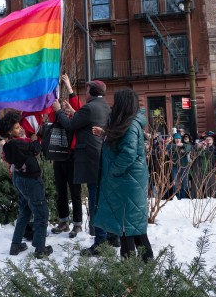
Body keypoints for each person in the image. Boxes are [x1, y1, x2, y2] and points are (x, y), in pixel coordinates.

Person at [91, 89, 154, 261]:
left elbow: (128, 154)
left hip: (127, 182)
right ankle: (139, 261)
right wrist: (105, 134)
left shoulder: (131, 125)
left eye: (116, 102)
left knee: (128, 225)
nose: (113, 105)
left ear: (123, 104)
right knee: (130, 225)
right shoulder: (127, 124)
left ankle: (135, 264)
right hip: (126, 182)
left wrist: (113, 171)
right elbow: (122, 143)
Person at [51, 79, 112, 249]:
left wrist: (58, 112)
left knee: (94, 201)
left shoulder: (90, 107)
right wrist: (72, 111)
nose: (85, 94)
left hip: (91, 160)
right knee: (102, 198)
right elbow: (82, 121)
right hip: (101, 157)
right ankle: (110, 236)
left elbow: (70, 124)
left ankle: (100, 241)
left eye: (86, 91)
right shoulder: (104, 106)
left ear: (91, 92)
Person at [0, 110, 53, 259]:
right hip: (30, 181)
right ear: (9, 132)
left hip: (20, 179)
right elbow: (35, 149)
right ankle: (40, 249)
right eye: (16, 128)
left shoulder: (9, 144)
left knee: (25, 212)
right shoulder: (17, 144)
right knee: (41, 213)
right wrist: (34, 138)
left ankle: (16, 244)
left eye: (19, 126)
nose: (20, 129)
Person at [49, 74, 83, 238]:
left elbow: (78, 106)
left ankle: (77, 224)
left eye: (66, 105)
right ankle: (63, 222)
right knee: (61, 192)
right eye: (61, 105)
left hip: (73, 158)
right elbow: (50, 112)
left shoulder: (76, 118)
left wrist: (69, 87)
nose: (64, 107)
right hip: (58, 158)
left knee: (75, 192)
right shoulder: (56, 117)